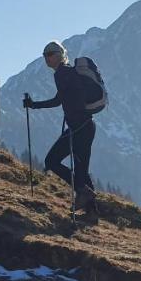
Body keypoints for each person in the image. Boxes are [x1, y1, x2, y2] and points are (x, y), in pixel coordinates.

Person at [23, 40, 97, 215]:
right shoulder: (69, 72)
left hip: (78, 128)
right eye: (44, 55)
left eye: (49, 54)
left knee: (52, 161)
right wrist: (34, 105)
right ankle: (92, 214)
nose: (46, 58)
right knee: (82, 171)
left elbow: (60, 100)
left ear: (59, 55)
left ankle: (82, 191)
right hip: (86, 126)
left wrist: (33, 105)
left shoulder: (62, 73)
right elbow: (61, 99)